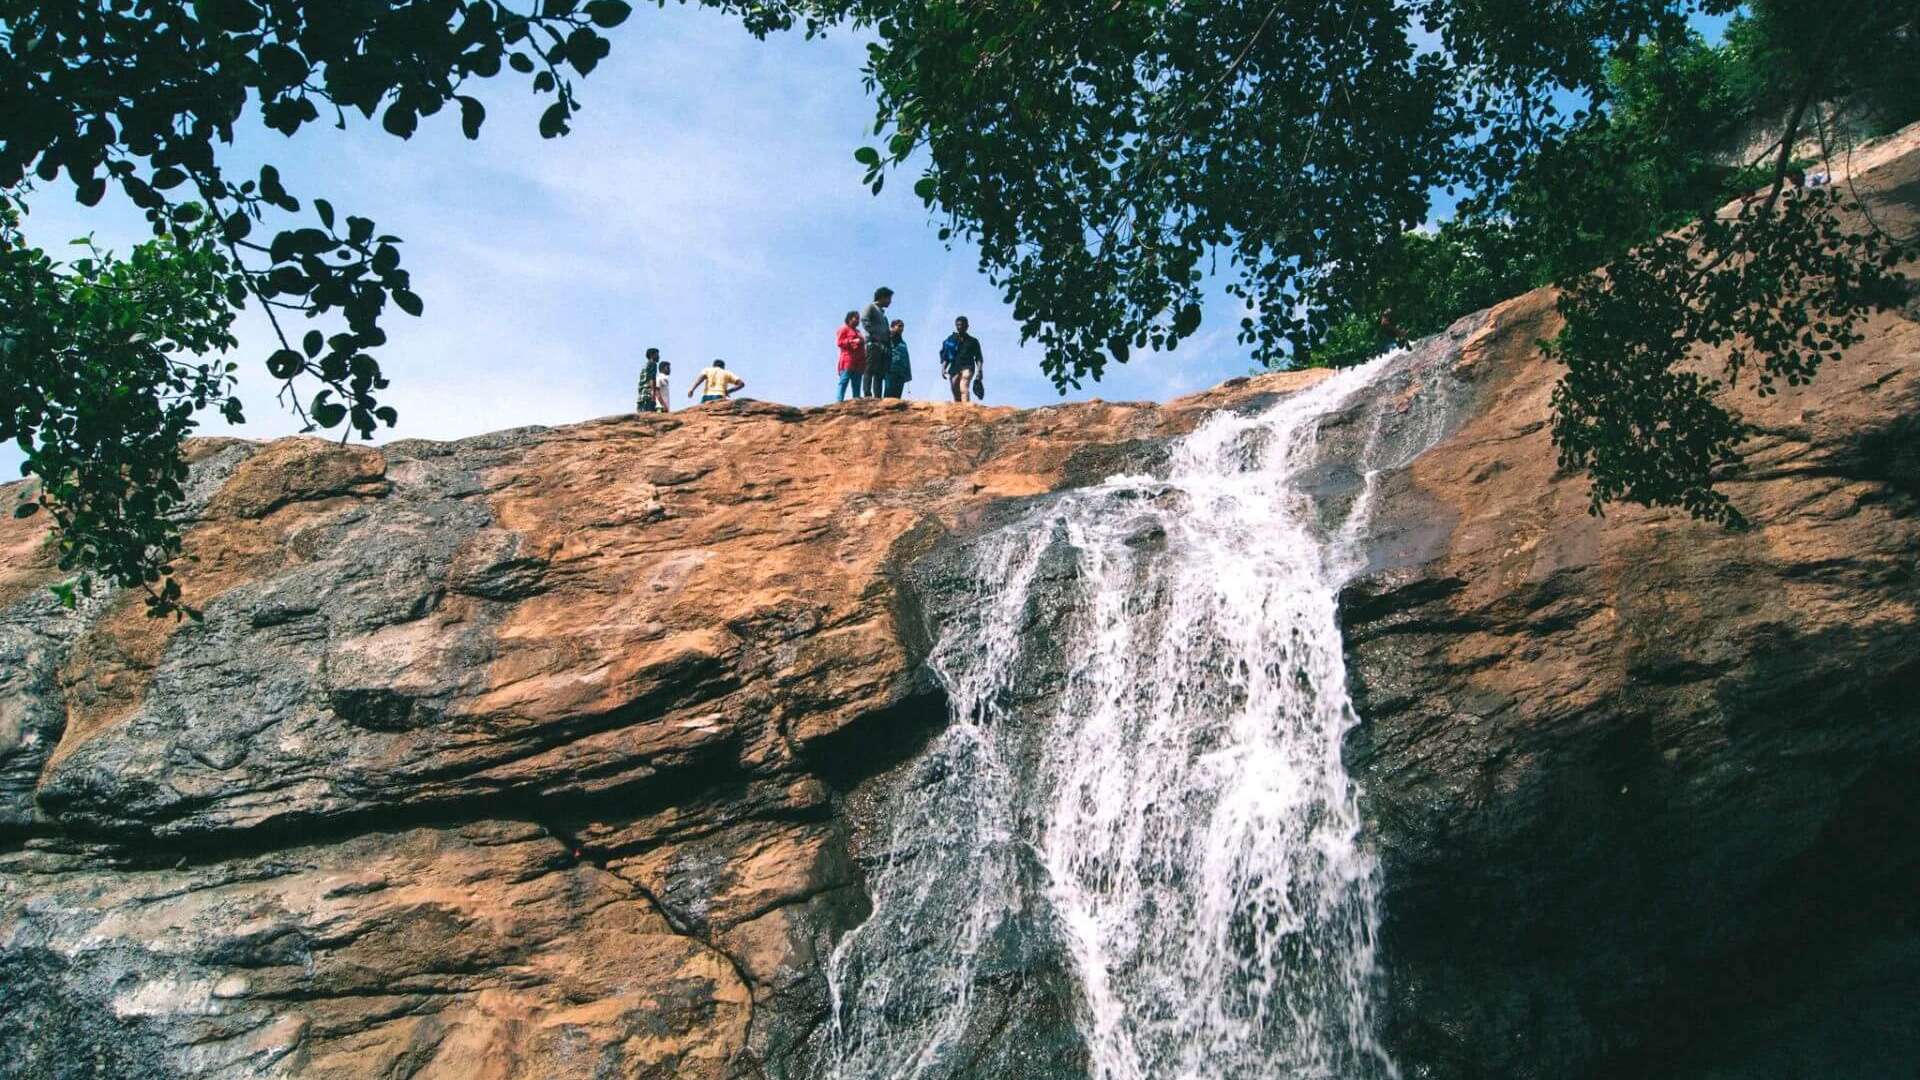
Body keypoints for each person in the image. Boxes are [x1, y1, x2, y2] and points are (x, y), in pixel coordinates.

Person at [940, 315, 983, 403]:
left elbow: (978, 357)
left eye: (962, 325)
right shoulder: (951, 339)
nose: (959, 327)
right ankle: (959, 410)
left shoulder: (973, 341)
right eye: (958, 325)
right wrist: (943, 368)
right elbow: (947, 355)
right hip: (955, 367)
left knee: (964, 386)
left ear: (967, 326)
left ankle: (966, 408)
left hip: (968, 366)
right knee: (955, 390)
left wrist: (979, 370)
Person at [861, 287, 894, 398]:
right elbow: (865, 320)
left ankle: (877, 396)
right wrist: (875, 335)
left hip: (883, 346)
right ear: (882, 297)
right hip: (873, 343)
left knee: (880, 373)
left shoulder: (883, 315)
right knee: (870, 369)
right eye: (889, 298)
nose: (890, 301)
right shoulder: (870, 307)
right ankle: (867, 393)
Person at [836, 310, 866, 401]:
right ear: (849, 319)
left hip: (859, 362)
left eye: (858, 319)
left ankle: (856, 401)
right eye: (856, 318)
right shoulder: (844, 329)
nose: (858, 320)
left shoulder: (858, 331)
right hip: (847, 360)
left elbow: (862, 342)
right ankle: (839, 401)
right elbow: (839, 342)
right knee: (844, 381)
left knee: (857, 383)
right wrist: (852, 341)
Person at [886, 318, 911, 398]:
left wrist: (908, 374)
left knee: (897, 396)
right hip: (891, 370)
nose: (901, 328)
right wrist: (892, 331)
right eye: (899, 326)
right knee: (888, 394)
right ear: (893, 327)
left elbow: (906, 358)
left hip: (901, 372)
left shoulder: (903, 343)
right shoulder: (890, 338)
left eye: (902, 326)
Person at [636, 347, 661, 413]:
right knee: (649, 415)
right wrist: (653, 393)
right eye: (657, 355)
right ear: (652, 355)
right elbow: (652, 379)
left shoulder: (645, 365)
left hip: (641, 395)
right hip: (648, 394)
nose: (659, 357)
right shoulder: (653, 364)